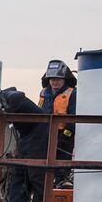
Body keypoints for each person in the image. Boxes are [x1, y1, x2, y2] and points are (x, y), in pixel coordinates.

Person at [37, 60, 77, 188]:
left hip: (64, 134)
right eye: (52, 79)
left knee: (62, 162)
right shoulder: (44, 93)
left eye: (58, 79)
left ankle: (60, 182)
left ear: (65, 79)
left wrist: (66, 134)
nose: (55, 82)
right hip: (45, 133)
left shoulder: (72, 93)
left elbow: (74, 116)